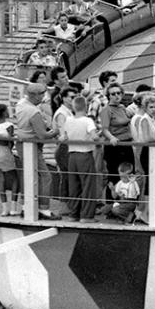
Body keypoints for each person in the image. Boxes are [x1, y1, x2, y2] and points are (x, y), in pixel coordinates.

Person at [12, 83, 59, 219]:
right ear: (35, 95)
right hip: (31, 146)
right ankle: (44, 209)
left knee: (29, 176)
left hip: (22, 144)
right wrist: (55, 131)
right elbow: (42, 135)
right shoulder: (33, 111)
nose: (43, 97)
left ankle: (25, 206)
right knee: (46, 177)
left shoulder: (21, 104)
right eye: (42, 94)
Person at [61, 95, 102, 223]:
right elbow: (94, 136)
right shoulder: (87, 121)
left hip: (71, 154)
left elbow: (64, 137)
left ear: (73, 107)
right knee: (88, 185)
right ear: (86, 106)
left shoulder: (68, 120)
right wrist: (100, 136)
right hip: (85, 154)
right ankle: (86, 216)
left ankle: (74, 214)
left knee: (74, 185)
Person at [98, 81, 134, 197]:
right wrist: (112, 138)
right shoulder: (106, 110)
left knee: (128, 173)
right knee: (114, 174)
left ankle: (126, 202)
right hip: (114, 146)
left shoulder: (123, 108)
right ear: (108, 96)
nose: (116, 96)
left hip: (127, 144)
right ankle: (111, 202)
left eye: (118, 93)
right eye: (113, 94)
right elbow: (104, 129)